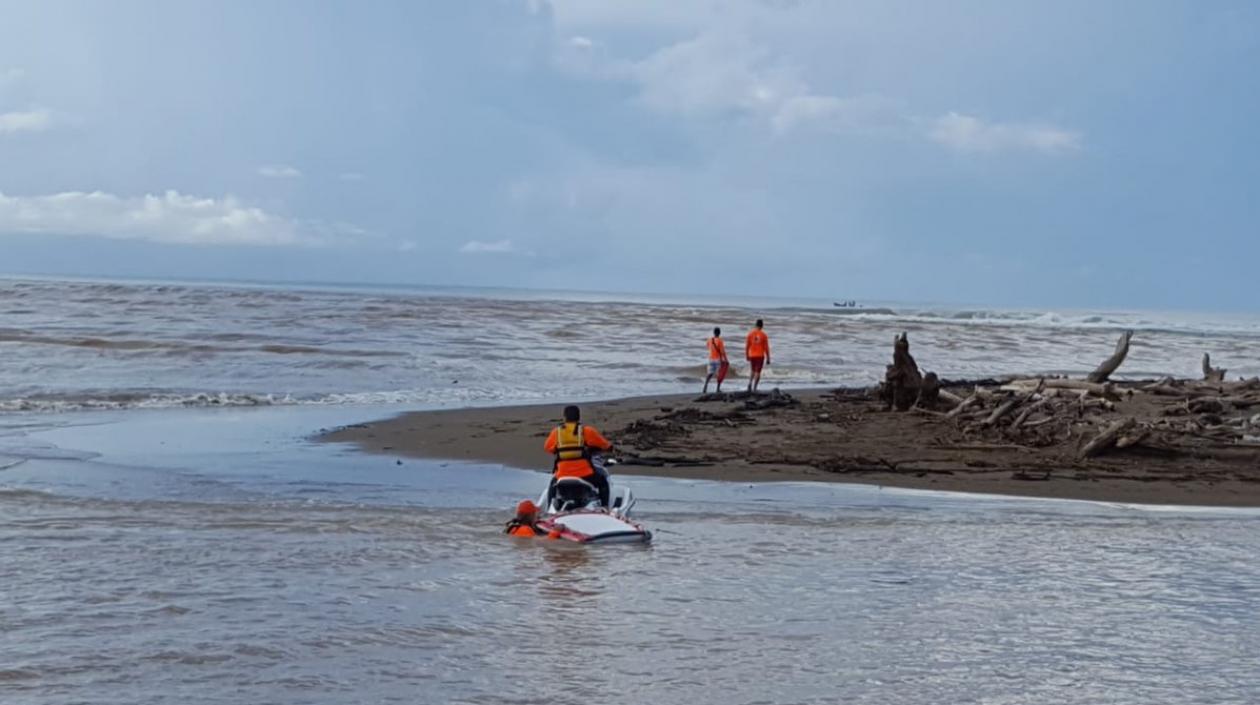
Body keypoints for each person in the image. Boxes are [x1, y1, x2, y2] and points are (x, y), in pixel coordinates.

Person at [543, 405, 614, 508]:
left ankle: (550, 507)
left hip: (562, 474)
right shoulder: (587, 431)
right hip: (585, 474)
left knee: (553, 483)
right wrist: (608, 448)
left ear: (564, 417)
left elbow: (547, 448)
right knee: (603, 482)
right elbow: (605, 445)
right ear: (579, 417)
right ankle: (605, 507)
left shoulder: (556, 433)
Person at [745, 319, 771, 392]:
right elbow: (766, 348)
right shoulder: (764, 335)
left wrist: (747, 355)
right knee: (758, 372)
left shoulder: (750, 334)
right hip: (760, 356)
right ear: (762, 326)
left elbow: (747, 346)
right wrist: (768, 358)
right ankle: (754, 388)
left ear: (755, 325)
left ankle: (750, 383)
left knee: (752, 370)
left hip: (752, 355)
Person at [702, 327, 729, 394]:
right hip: (717, 359)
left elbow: (708, 346)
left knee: (709, 374)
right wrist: (726, 360)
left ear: (714, 333)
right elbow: (722, 352)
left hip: (710, 359)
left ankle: (705, 386)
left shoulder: (709, 340)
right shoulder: (720, 341)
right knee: (719, 375)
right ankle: (717, 389)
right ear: (719, 333)